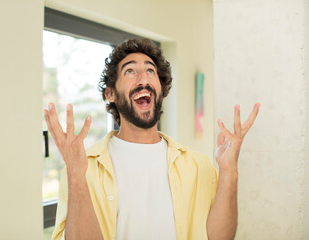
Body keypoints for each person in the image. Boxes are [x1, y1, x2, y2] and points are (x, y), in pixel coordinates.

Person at [44, 38, 260, 240]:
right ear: (110, 93)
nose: (144, 79)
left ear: (160, 89)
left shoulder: (198, 166)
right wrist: (75, 176)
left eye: (150, 71)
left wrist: (229, 170)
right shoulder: (82, 167)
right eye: (130, 71)